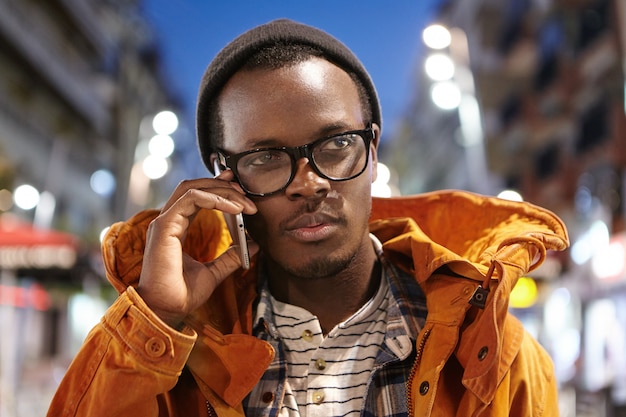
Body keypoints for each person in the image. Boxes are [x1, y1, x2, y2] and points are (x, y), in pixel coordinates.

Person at [48, 19, 569, 417]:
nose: (309, 182)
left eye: (337, 144)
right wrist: (155, 320)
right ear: (222, 180)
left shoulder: (495, 354)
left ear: (373, 150)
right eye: (266, 157)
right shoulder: (174, 354)